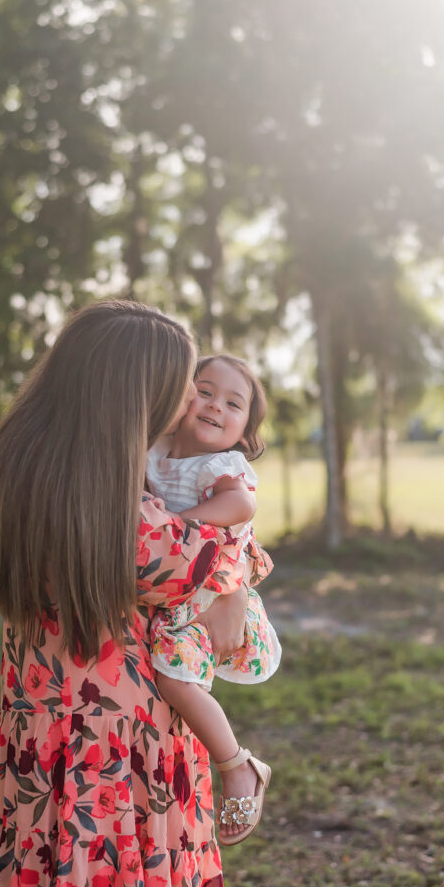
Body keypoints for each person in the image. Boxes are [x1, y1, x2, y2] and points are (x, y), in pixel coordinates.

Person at [0, 300, 273, 887]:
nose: (185, 411)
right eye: (179, 392)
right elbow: (199, 553)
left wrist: (229, 578)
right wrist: (233, 582)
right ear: (134, 395)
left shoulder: (27, 465)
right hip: (120, 746)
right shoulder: (114, 509)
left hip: (39, 735)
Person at [146, 355, 281, 845]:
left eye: (233, 403)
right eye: (204, 391)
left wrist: (182, 522)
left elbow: (242, 505)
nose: (215, 406)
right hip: (173, 594)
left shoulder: (220, 467)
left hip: (206, 595)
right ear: (180, 397)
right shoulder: (153, 448)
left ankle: (239, 766)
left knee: (174, 681)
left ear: (245, 431)